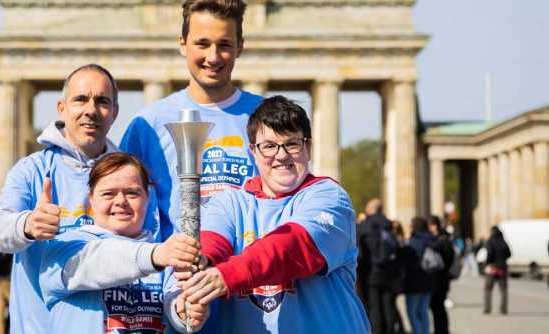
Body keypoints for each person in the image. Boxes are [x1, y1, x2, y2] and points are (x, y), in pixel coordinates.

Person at [169, 96, 369, 333]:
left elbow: (293, 247)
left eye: (292, 144)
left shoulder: (330, 197)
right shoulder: (230, 202)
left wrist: (225, 275)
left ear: (308, 148)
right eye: (269, 146)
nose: (281, 155)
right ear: (253, 151)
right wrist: (200, 266)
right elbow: (212, 242)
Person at [0, 64, 147, 333]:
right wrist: (27, 225)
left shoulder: (129, 177)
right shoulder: (32, 169)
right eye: (81, 99)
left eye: (103, 101)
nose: (91, 110)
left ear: (115, 113)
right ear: (62, 108)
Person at [120, 0, 263, 239]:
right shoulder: (147, 125)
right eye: (203, 44)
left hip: (246, 272)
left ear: (240, 47)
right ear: (183, 44)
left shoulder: (267, 117)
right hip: (176, 274)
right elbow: (118, 206)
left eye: (225, 45)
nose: (213, 57)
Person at [39, 152, 206, 333]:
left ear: (147, 198)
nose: (120, 201)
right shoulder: (65, 246)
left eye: (132, 193)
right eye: (108, 194)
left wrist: (186, 311)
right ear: (91, 199)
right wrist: (155, 256)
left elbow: (175, 301)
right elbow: (101, 261)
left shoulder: (165, 256)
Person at [359, 198, 401, 334]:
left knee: (374, 306)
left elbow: (361, 252)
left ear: (370, 210)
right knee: (388, 305)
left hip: (371, 271)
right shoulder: (389, 225)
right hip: (389, 271)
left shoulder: (366, 225)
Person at [399, 217, 439, 334]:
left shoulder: (414, 241)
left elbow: (405, 260)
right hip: (430, 281)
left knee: (412, 312)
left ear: (414, 227)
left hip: (414, 283)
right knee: (423, 311)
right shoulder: (431, 239)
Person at [428, 215, 455, 334]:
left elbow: (447, 259)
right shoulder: (444, 238)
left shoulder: (440, 240)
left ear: (434, 226)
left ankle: (441, 330)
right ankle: (441, 329)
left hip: (440, 279)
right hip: (442, 279)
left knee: (437, 307)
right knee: (438, 307)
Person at [483, 226, 511, 315]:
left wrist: (487, 263)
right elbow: (509, 254)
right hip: (502, 267)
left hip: (492, 267)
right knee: (503, 289)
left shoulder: (490, 241)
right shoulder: (503, 242)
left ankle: (487, 308)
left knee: (488, 288)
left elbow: (489, 253)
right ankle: (504, 309)